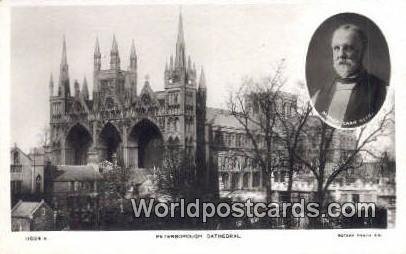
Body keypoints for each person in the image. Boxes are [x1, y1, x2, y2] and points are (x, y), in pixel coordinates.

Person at [312, 24, 387, 128]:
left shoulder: (382, 91)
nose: (341, 55)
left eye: (348, 48)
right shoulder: (318, 95)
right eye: (336, 48)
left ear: (362, 51)